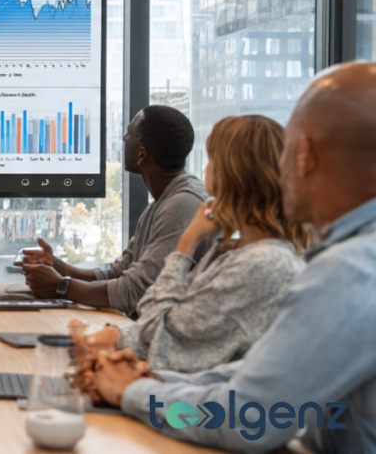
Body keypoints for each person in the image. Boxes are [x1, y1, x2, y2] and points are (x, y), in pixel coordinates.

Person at [88, 62, 376, 453]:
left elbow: (247, 419)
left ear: (304, 155)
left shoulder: (349, 272)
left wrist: (136, 395)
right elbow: (260, 379)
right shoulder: (353, 261)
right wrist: (157, 388)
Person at [74, 115, 309, 374]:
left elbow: (156, 328)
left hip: (191, 404)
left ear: (231, 172)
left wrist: (186, 244)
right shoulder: (232, 250)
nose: (205, 169)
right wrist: (112, 339)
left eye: (212, 160)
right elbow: (165, 324)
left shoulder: (262, 263)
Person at [22, 105, 208, 313]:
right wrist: (59, 267)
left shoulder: (184, 204)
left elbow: (134, 292)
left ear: (141, 155)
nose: (123, 138)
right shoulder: (161, 203)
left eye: (129, 133)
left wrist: (60, 286)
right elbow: (120, 273)